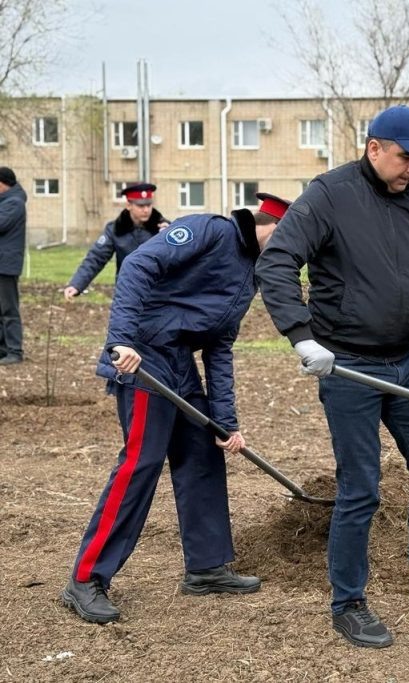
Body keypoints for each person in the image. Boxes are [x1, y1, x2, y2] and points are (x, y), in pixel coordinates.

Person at [256, 104, 409, 649]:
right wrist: (302, 336)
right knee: (360, 487)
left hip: (407, 363)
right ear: (374, 148)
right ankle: (348, 603)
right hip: (348, 366)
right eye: (406, 157)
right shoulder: (328, 195)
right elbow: (276, 262)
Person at [61, 192, 291, 624]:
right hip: (143, 356)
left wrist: (225, 423)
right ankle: (86, 577)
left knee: (203, 452)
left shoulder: (251, 274)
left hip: (180, 365)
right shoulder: (210, 230)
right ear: (276, 229)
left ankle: (206, 567)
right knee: (141, 462)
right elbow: (137, 266)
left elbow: (219, 347)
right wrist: (121, 340)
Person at [64, 182, 170, 301]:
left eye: (149, 205)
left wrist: (167, 240)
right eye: (140, 206)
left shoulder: (165, 229)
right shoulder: (115, 229)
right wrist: (77, 284)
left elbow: (179, 260)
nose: (146, 210)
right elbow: (96, 258)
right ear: (129, 205)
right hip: (127, 292)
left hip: (159, 294)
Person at [0, 166, 27, 365]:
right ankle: (3, 349)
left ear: (3, 184)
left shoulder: (14, 203)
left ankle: (14, 351)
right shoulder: (7, 201)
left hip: (6, 265)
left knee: (9, 310)